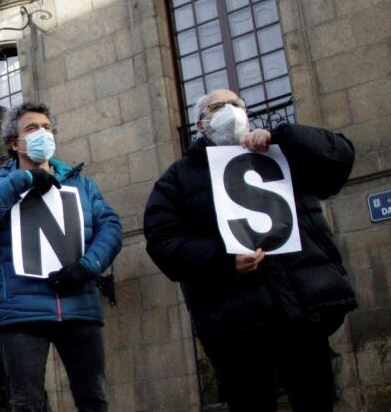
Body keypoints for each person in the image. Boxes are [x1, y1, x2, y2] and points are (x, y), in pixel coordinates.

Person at [143, 89, 357, 411]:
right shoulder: (178, 178)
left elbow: (339, 158)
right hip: (235, 326)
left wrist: (284, 136)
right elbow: (163, 241)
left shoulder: (280, 151)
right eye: (218, 106)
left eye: (237, 104)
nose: (230, 110)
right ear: (201, 125)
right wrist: (222, 260)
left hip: (300, 312)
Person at [0, 103, 123, 412]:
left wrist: (88, 266)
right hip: (22, 313)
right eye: (32, 129)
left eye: (47, 128)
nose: (42, 134)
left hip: (79, 307)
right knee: (27, 402)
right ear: (14, 143)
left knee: (94, 398)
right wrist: (23, 180)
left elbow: (111, 228)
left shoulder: (81, 184)